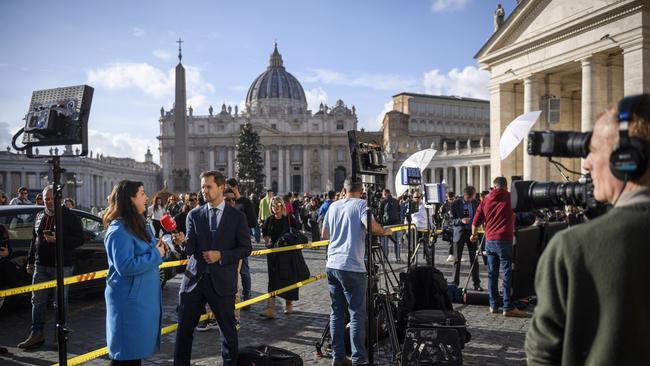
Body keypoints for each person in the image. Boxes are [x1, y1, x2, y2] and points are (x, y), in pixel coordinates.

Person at [525, 95, 650, 364]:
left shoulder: (574, 248)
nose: (586, 163)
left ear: (627, 158)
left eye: (593, 150)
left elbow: (542, 354)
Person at [173, 171, 251, 366]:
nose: (204, 190)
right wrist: (182, 242)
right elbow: (191, 249)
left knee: (228, 333)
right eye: (202, 187)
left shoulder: (237, 216)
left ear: (221, 188)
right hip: (194, 282)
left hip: (222, 282)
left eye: (208, 186)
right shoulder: (194, 214)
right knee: (183, 332)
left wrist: (221, 256)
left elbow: (246, 248)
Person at [102, 180, 175, 365]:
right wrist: (156, 254)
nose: (147, 197)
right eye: (142, 193)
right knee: (125, 356)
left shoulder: (139, 225)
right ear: (130, 199)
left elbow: (151, 254)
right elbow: (125, 266)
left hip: (141, 301)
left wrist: (163, 250)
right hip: (129, 302)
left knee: (133, 357)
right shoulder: (118, 230)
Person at [321, 179, 392, 366]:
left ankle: (338, 357)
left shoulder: (333, 206)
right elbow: (372, 227)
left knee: (336, 313)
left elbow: (324, 234)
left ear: (344, 190)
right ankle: (359, 360)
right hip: (352, 265)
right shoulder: (361, 205)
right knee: (356, 314)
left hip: (333, 264)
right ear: (361, 191)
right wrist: (384, 231)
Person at [18, 185, 84, 350]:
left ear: (59, 199)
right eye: (46, 199)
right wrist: (30, 261)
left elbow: (80, 239)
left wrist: (59, 239)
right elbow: (34, 240)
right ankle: (36, 334)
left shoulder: (69, 216)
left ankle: (59, 336)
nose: (48, 202)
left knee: (59, 303)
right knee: (37, 301)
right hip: (41, 266)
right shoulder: (39, 215)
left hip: (62, 266)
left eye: (51, 199)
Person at [470, 177, 525, 317]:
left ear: (494, 187)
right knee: (507, 274)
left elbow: (475, 221)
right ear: (506, 187)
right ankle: (508, 306)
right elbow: (523, 214)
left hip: (489, 240)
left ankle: (493, 305)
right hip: (505, 240)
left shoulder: (486, 199)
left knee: (491, 274)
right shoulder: (510, 197)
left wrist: (474, 235)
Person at [260, 196, 298, 319]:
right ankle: (270, 309)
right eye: (273, 205)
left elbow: (296, 231)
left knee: (289, 278)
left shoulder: (288, 219)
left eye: (278, 205)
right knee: (272, 280)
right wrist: (267, 242)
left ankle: (289, 303)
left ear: (282, 206)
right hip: (273, 254)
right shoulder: (269, 220)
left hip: (287, 254)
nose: (275, 208)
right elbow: (265, 233)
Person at [226, 178, 255, 306]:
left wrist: (240, 226)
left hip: (240, 242)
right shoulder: (222, 202)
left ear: (236, 187)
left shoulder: (244, 202)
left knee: (244, 271)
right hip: (226, 242)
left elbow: (253, 222)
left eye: (229, 187)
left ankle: (247, 295)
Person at [450, 185, 482, 290]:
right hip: (459, 233)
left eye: (473, 197)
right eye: (470, 197)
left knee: (474, 259)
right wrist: (460, 220)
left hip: (472, 233)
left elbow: (479, 216)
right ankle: (455, 283)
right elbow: (451, 221)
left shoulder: (475, 203)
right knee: (456, 259)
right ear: (465, 195)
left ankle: (476, 283)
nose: (472, 199)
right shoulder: (455, 204)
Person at [379, 189, 402, 263]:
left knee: (385, 243)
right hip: (396, 224)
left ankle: (385, 258)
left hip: (386, 225)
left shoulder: (383, 202)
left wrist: (381, 224)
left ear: (385, 194)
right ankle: (398, 258)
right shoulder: (396, 201)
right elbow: (399, 211)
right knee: (397, 242)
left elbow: (380, 213)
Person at [438, 191, 456, 262]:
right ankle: (451, 254)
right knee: (451, 241)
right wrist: (445, 215)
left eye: (452, 199)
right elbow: (440, 213)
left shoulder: (458, 203)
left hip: (457, 224)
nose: (451, 201)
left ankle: (455, 254)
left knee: (456, 241)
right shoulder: (444, 204)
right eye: (449, 199)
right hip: (448, 224)